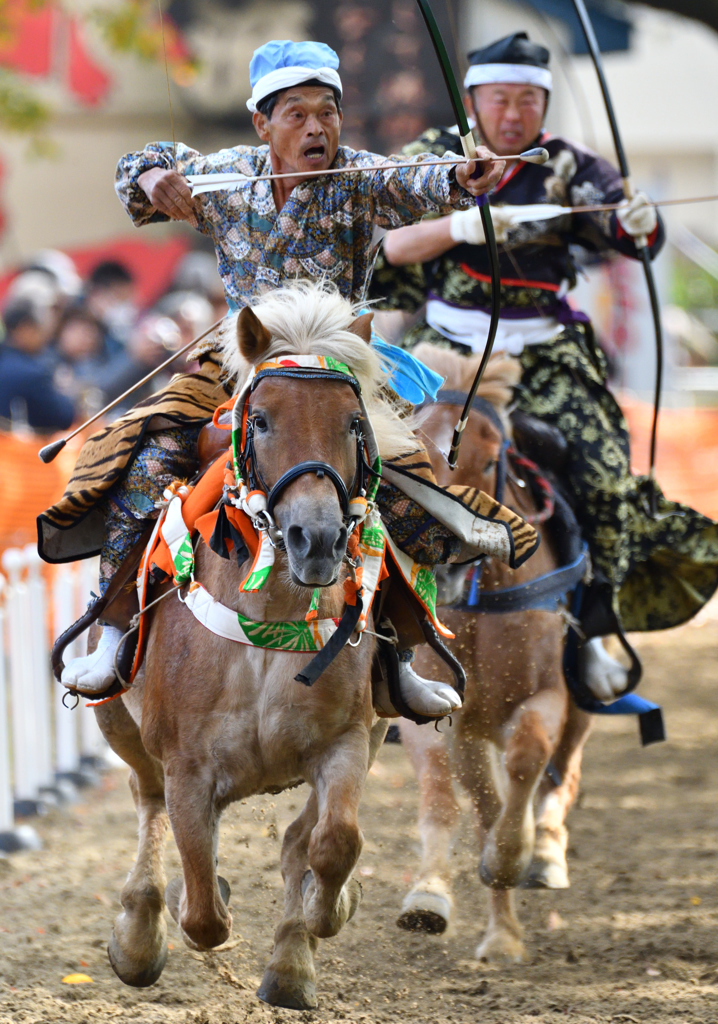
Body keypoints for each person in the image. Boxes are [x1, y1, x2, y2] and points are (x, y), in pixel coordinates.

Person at [39, 39, 535, 719]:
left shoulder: (361, 177)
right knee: (144, 457)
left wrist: (466, 178)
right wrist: (155, 178)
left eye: (327, 113)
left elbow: (424, 178)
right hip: (242, 361)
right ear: (260, 125)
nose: (315, 129)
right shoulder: (225, 176)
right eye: (296, 115)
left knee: (410, 481)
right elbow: (140, 164)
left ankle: (395, 655)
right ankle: (116, 631)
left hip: (338, 368)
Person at [368, 31, 718, 700]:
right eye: (500, 99)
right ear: (473, 101)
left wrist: (642, 226)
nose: (513, 114)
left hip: (544, 351)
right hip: (441, 348)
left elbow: (622, 227)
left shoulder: (569, 166)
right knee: (374, 467)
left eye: (528, 100)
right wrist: (459, 226)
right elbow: (393, 243)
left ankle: (589, 632)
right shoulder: (434, 157)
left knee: (607, 474)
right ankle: (375, 635)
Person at [0, 298, 75, 432]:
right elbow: (64, 417)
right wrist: (66, 392)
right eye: (38, 329)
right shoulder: (31, 373)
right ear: (25, 329)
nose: (43, 337)